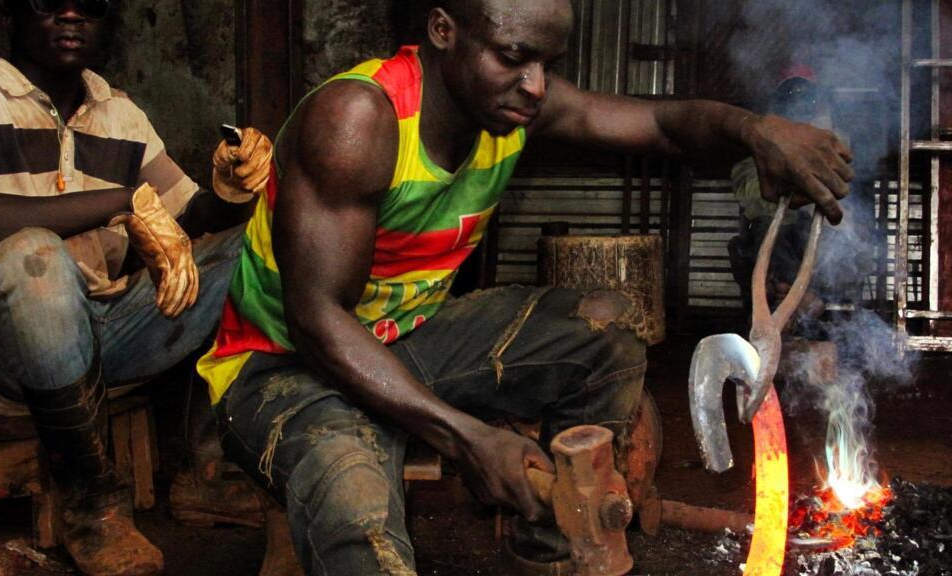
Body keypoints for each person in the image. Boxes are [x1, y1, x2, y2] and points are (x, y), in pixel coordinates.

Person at [196, 1, 854, 574]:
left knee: (603, 333)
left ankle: (554, 547)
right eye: (514, 57)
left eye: (547, 63)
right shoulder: (358, 119)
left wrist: (755, 131)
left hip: (407, 338)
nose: (536, 85)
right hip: (284, 366)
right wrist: (465, 437)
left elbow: (662, 124)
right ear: (444, 31)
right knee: (357, 516)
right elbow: (316, 320)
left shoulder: (514, 107)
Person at [0, 1, 272, 574]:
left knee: (262, 245)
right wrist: (121, 202)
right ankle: (93, 508)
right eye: (49, 1)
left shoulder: (119, 113)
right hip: (5, 350)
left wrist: (230, 191)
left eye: (90, 5)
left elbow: (182, 216)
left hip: (108, 332)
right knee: (32, 255)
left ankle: (208, 470)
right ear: (12, 14)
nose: (72, 15)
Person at [728, 65, 869, 322]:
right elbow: (752, 197)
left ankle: (801, 299)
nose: (798, 105)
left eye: (806, 98)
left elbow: (842, 199)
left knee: (826, 239)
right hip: (779, 240)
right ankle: (784, 304)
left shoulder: (833, 140)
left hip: (826, 245)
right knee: (764, 231)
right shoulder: (762, 142)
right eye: (790, 98)